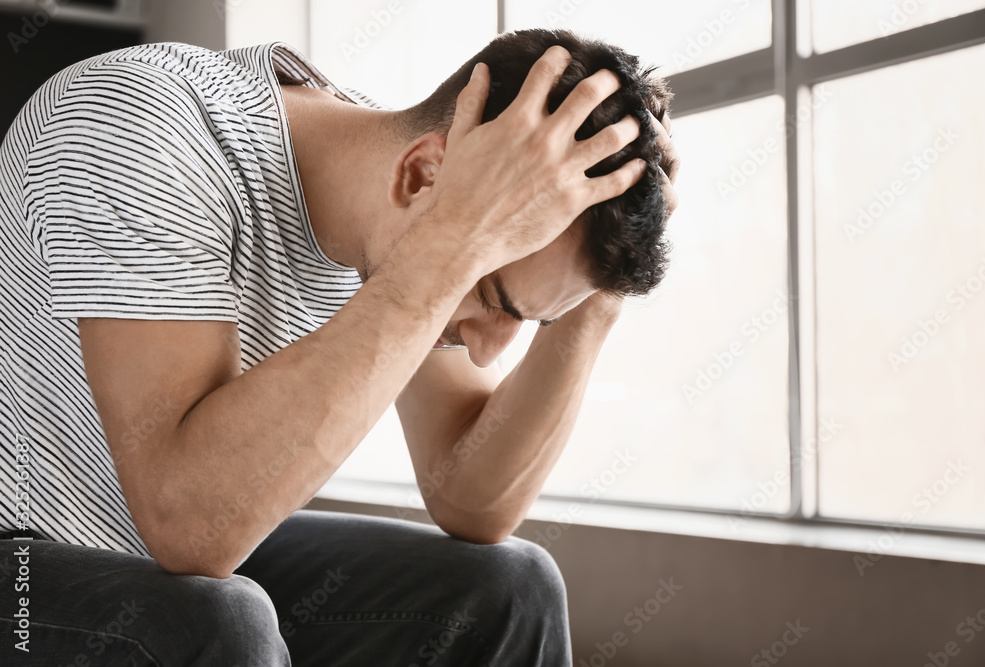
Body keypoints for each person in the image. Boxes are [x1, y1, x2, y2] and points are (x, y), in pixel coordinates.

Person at [0, 26, 677, 666]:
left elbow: (469, 496)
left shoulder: (417, 201)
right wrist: (449, 245)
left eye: (531, 320)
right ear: (420, 177)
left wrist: (594, 300)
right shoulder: (143, 124)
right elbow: (188, 523)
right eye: (494, 300)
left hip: (187, 561)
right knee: (214, 620)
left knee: (512, 585)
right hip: (24, 571)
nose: (484, 353)